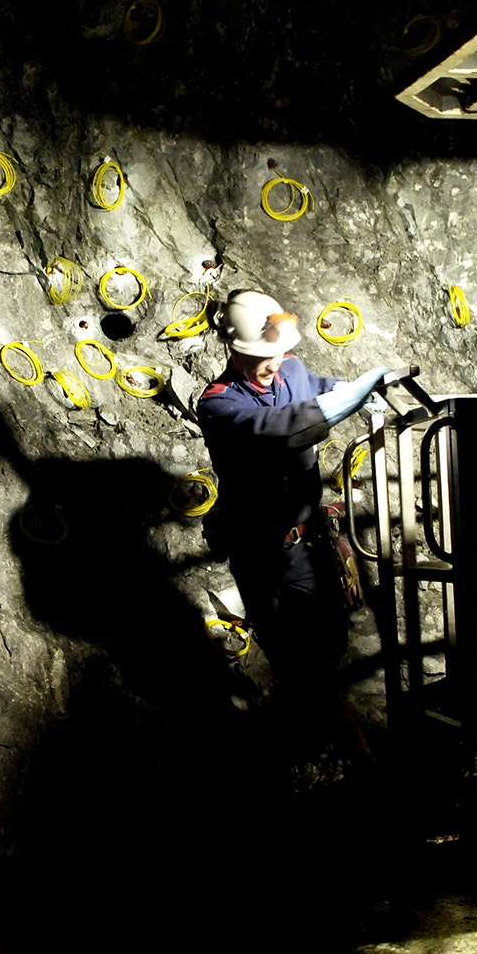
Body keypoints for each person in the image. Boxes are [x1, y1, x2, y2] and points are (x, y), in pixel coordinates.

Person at [197, 289, 389, 751]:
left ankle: (319, 736)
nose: (274, 365)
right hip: (261, 554)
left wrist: (363, 393)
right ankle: (348, 755)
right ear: (233, 349)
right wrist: (356, 392)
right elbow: (283, 428)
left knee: (327, 645)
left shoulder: (293, 370)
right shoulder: (218, 405)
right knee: (295, 660)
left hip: (307, 542)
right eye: (262, 357)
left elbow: (322, 385)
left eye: (279, 354)